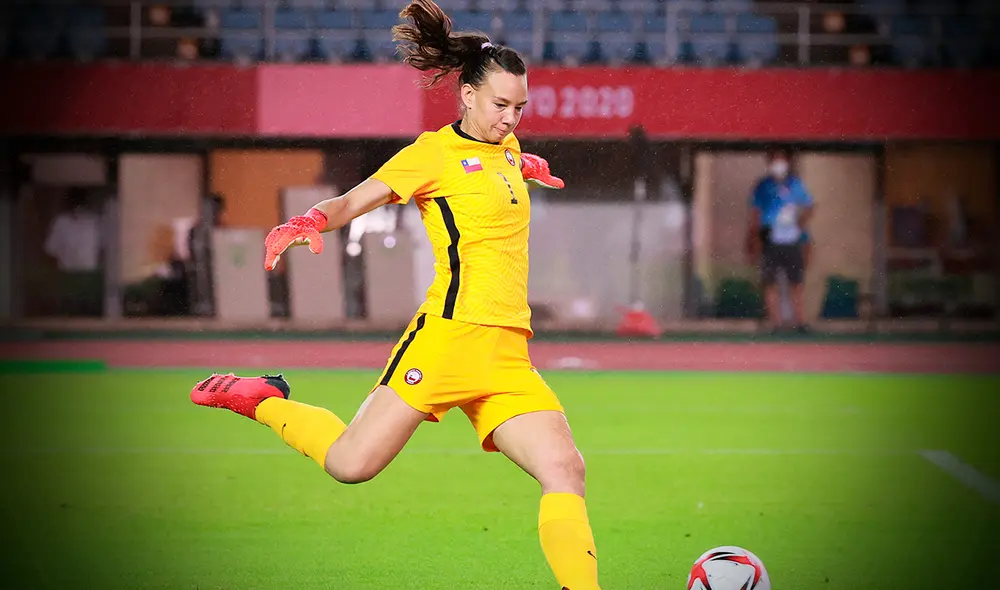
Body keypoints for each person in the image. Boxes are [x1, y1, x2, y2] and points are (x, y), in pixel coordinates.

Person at [188, 2, 600, 588]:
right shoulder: (431, 154)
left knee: (565, 468)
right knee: (351, 465)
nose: (511, 118)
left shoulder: (504, 149)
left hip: (508, 353)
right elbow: (356, 201)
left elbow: (493, 168)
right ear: (467, 98)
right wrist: (308, 220)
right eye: (501, 105)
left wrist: (524, 164)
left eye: (520, 108)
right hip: (447, 340)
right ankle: (261, 398)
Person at [746, 148, 815, 332]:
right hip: (771, 239)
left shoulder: (795, 184)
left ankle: (800, 322)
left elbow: (809, 205)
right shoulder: (762, 186)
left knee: (796, 283)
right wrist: (754, 240)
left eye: (781, 159)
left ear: (788, 161)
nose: (778, 164)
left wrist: (800, 224)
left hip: (792, 240)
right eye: (774, 160)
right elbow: (755, 213)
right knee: (770, 283)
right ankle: (775, 324)